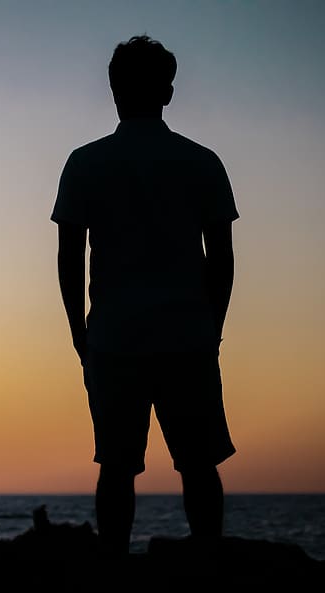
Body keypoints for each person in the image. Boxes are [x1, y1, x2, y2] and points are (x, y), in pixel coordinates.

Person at [51, 35, 238, 556]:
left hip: (113, 339)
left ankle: (113, 574)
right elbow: (221, 260)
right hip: (187, 337)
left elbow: (70, 258)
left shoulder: (85, 163)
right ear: (169, 93)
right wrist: (212, 328)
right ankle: (208, 570)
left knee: (116, 467)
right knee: (200, 465)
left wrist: (80, 335)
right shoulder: (202, 162)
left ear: (113, 90)